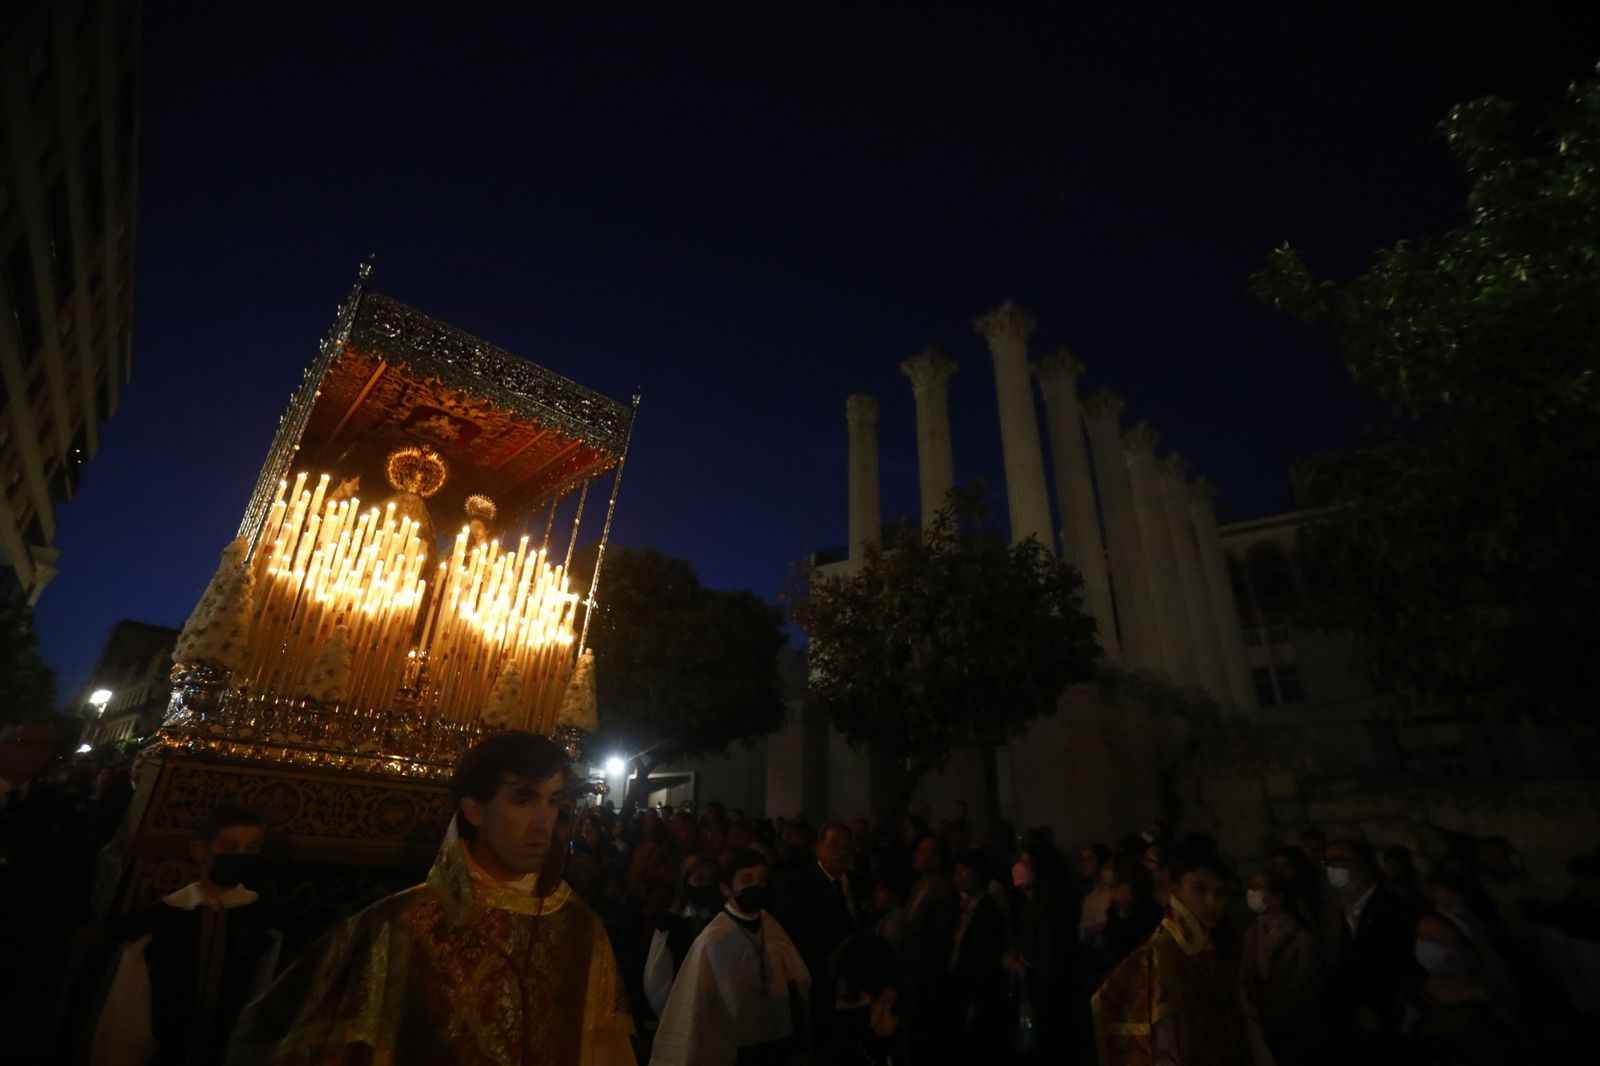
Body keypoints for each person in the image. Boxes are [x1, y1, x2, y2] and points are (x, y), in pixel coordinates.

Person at [227, 731, 635, 1065]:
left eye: (554, 802)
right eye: (523, 800)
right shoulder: (401, 926)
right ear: (475, 810)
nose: (545, 822)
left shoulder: (582, 929)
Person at [92, 805, 282, 1066]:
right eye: (230, 848)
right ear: (201, 852)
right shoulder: (160, 921)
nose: (241, 857)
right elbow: (128, 1012)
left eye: (251, 849)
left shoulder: (264, 920)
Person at [1092, 843, 1263, 1065]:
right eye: (1199, 889)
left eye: (1219, 893)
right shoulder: (1150, 962)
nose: (1211, 901)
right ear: (1174, 888)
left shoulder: (1217, 953)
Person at [649, 847, 810, 1065]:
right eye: (747, 880)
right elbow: (698, 1002)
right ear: (727, 888)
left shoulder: (771, 926)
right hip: (735, 1047)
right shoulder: (713, 939)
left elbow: (797, 979)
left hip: (777, 1041)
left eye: (762, 879)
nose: (757, 887)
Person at [774, 822, 865, 1042]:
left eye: (846, 845)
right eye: (834, 844)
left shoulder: (858, 883)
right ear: (819, 847)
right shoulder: (798, 883)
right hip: (814, 973)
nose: (841, 851)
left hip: (851, 974)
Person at [1396, 911, 1527, 1064]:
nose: (1424, 947)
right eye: (1421, 938)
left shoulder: (1493, 1018)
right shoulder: (1413, 992)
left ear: (1468, 956)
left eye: (1434, 940)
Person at [1325, 837, 1419, 1044]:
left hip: (1383, 1012)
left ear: (1364, 865)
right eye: (1328, 862)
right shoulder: (1342, 908)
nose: (1331, 868)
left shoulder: (1392, 906)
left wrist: (1375, 1005)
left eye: (1338, 860)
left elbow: (1398, 960)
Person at [1238, 871, 1321, 1065]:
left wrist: (1269, 1018)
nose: (1251, 893)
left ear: (1278, 898)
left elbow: (1304, 993)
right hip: (1258, 1030)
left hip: (1289, 1035)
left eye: (1258, 889)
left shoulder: (1302, 939)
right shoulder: (1252, 934)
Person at [943, 850, 1008, 1055]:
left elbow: (986, 962)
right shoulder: (964, 908)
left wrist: (975, 1001)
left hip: (976, 994)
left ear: (978, 874)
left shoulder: (988, 912)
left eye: (964, 870)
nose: (958, 875)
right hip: (960, 988)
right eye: (956, 870)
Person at [642, 856, 721, 1018]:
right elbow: (656, 979)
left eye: (711, 880)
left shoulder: (718, 922)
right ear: (685, 882)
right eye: (699, 879)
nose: (706, 886)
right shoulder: (670, 924)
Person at [814, 933, 909, 1066]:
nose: (839, 1007)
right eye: (838, 998)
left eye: (851, 999)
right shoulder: (838, 1057)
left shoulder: (928, 1042)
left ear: (887, 999)